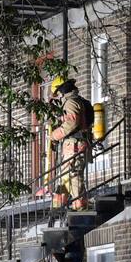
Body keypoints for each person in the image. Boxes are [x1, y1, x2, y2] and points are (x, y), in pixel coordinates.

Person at [49, 77, 93, 210]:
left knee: (73, 175)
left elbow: (72, 123)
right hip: (76, 144)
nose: (58, 97)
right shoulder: (77, 101)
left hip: (74, 145)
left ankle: (80, 207)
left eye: (57, 94)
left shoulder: (71, 102)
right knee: (66, 176)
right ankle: (58, 206)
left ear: (61, 91)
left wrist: (54, 135)